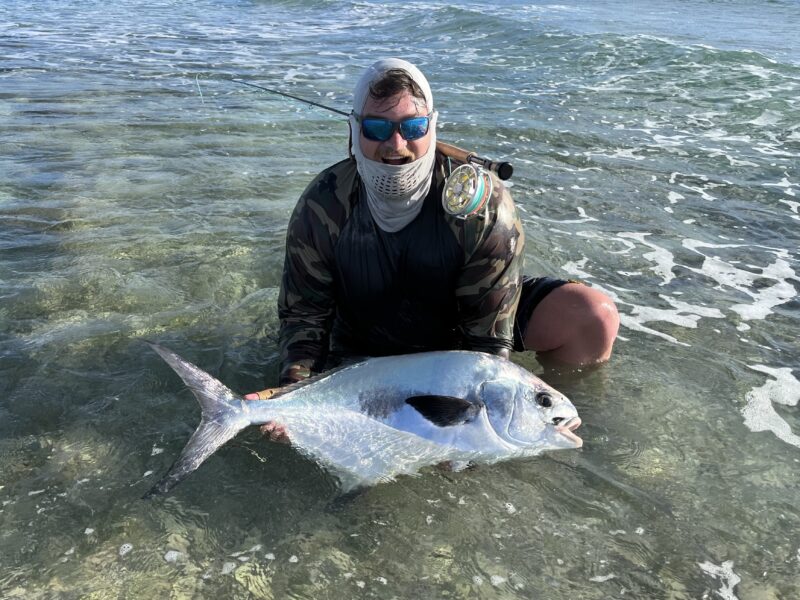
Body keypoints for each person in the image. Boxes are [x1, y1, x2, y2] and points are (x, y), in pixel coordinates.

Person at [246, 59, 619, 440]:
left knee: (592, 315)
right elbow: (304, 317)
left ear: (432, 125)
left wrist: (481, 431)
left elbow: (487, 341)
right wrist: (293, 393)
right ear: (355, 130)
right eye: (377, 128)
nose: (396, 145)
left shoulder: (484, 204)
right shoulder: (322, 203)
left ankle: (545, 421)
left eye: (412, 127)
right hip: (361, 338)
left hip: (459, 332)